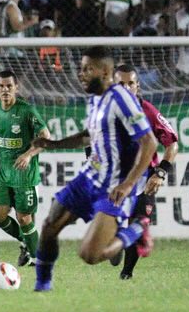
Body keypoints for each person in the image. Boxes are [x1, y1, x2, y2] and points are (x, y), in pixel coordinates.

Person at [28, 46, 158, 291]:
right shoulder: (94, 100)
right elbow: (90, 135)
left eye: (88, 69)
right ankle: (42, 287)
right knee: (49, 226)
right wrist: (52, 144)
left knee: (89, 254)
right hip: (89, 177)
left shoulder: (122, 98)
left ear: (106, 71)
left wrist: (129, 183)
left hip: (113, 187)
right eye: (81, 68)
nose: (81, 74)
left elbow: (149, 142)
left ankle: (136, 229)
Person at [113, 65, 180, 280]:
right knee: (110, 227)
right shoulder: (105, 112)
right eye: (120, 84)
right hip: (114, 179)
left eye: (130, 83)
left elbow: (172, 144)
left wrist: (160, 172)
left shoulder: (148, 111)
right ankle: (114, 242)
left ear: (137, 86)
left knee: (139, 223)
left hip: (143, 180)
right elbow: (90, 141)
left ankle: (126, 275)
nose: (126, 88)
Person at [0, 69, 50, 267]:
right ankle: (26, 242)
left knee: (24, 218)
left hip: (24, 175)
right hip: (3, 173)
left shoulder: (27, 110)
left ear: (16, 88)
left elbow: (46, 137)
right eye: (1, 86)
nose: (5, 90)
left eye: (9, 86)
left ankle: (38, 259)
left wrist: (28, 155)